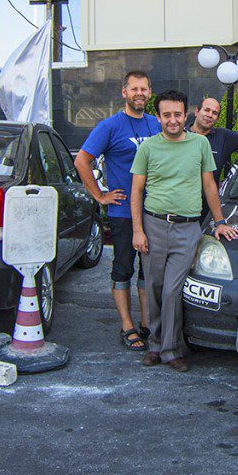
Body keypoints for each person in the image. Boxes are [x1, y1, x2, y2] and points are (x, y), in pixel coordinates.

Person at [130, 89, 238, 372]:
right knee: (153, 288)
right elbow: (136, 191)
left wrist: (220, 221)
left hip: (187, 228)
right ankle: (155, 345)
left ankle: (170, 349)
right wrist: (137, 231)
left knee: (172, 291)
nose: (173, 120)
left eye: (178, 114)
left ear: (186, 114)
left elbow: (210, 186)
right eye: (167, 115)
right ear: (158, 117)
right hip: (153, 226)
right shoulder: (148, 148)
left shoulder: (200, 145)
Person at [74, 71, 160, 353]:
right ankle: (127, 325)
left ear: (149, 93)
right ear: (124, 92)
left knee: (148, 270)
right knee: (123, 268)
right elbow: (82, 161)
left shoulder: (156, 123)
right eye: (134, 88)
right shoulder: (109, 126)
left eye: (144, 89)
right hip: (122, 211)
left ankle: (148, 323)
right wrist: (99, 194)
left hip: (153, 211)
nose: (139, 93)